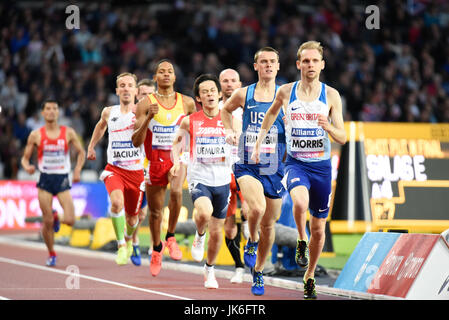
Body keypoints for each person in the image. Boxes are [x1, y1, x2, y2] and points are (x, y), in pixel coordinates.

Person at [251, 41, 347, 299]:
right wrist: (259, 142)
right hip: (296, 163)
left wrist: (328, 126)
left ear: (322, 65)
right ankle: (301, 241)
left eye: (315, 61)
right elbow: (270, 115)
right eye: (306, 61)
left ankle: (310, 275)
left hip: (322, 169)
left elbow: (343, 137)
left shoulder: (331, 95)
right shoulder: (285, 91)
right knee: (299, 203)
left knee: (320, 229)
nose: (310, 65)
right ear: (298, 64)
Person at [221, 47, 286, 296]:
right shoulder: (244, 93)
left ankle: (258, 271)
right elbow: (225, 111)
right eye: (263, 62)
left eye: (272, 62)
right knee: (256, 208)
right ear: (256, 66)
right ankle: (252, 240)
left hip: (274, 167)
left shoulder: (287, 96)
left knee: (270, 224)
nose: (268, 65)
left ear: (278, 66)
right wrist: (229, 131)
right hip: (247, 162)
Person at [132, 59, 196, 277]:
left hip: (177, 157)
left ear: (175, 77)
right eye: (162, 71)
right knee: (155, 212)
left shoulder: (186, 102)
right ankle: (157, 249)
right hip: (154, 160)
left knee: (177, 191)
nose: (166, 74)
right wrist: (149, 116)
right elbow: (135, 141)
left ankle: (170, 236)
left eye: (170, 71)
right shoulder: (144, 104)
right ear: (156, 77)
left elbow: (195, 130)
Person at [171, 74, 232, 289]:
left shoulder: (229, 117)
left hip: (223, 179)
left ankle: (210, 269)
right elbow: (176, 142)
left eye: (212, 91)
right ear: (198, 97)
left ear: (219, 94)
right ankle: (199, 235)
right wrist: (176, 161)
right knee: (204, 213)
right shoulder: (190, 121)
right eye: (204, 92)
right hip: (200, 177)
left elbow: (240, 141)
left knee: (217, 233)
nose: (209, 94)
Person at [87, 72, 148, 266]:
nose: (126, 88)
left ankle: (129, 239)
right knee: (116, 203)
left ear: (136, 90)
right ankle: (121, 245)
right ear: (117, 90)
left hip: (136, 173)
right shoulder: (108, 111)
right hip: (115, 169)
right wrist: (91, 145)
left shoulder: (142, 111)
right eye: (122, 85)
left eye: (130, 85)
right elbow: (100, 126)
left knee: (132, 219)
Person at [21, 99, 85, 266]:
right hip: (45, 179)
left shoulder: (68, 132)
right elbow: (24, 159)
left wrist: (77, 170)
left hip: (62, 178)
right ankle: (51, 253)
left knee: (70, 220)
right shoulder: (36, 134)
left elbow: (81, 152)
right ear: (43, 113)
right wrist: (27, 166)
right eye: (48, 109)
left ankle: (57, 217)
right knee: (47, 221)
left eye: (54, 108)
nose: (51, 111)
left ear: (58, 112)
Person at [218, 68, 249, 284]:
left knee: (249, 209)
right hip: (221, 171)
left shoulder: (249, 107)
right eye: (225, 81)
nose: (229, 84)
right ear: (220, 85)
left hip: (245, 167)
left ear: (240, 84)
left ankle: (249, 227)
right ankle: (239, 266)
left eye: (233, 81)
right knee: (228, 228)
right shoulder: (214, 108)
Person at [129, 78, 157, 266]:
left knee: (142, 214)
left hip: (151, 166)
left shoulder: (161, 113)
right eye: (143, 94)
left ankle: (136, 239)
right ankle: (134, 242)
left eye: (150, 94)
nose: (147, 98)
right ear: (137, 96)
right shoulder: (130, 113)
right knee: (135, 212)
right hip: (131, 166)